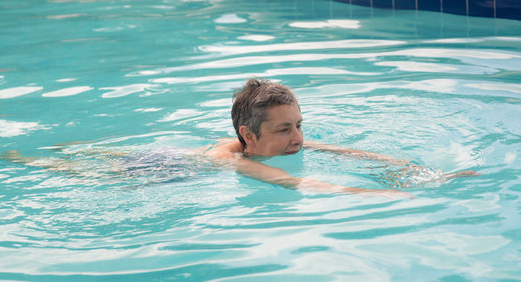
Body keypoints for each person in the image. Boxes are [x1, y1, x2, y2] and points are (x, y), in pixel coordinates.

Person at [204, 78, 477, 198]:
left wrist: (410, 169)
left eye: (299, 125)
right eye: (284, 129)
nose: (298, 138)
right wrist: (375, 194)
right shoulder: (228, 161)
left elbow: (341, 151)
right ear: (248, 135)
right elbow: (292, 182)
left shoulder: (273, 142)